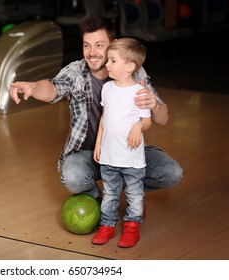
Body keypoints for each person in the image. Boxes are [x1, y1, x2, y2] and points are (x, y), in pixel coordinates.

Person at [9, 17, 182, 208]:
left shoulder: (132, 72)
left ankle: (126, 190)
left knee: (171, 173)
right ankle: (100, 200)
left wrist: (154, 105)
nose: (92, 53)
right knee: (73, 176)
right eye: (86, 45)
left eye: (99, 45)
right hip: (89, 155)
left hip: (125, 152)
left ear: (112, 45)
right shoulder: (76, 72)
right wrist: (33, 87)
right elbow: (53, 89)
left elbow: (163, 118)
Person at [91, 38, 150, 248]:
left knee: (134, 195)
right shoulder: (107, 89)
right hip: (109, 156)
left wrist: (138, 126)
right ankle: (106, 226)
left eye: (112, 61)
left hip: (131, 158)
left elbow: (147, 121)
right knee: (110, 193)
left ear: (130, 66)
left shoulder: (139, 92)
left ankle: (132, 228)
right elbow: (104, 119)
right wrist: (99, 144)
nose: (107, 64)